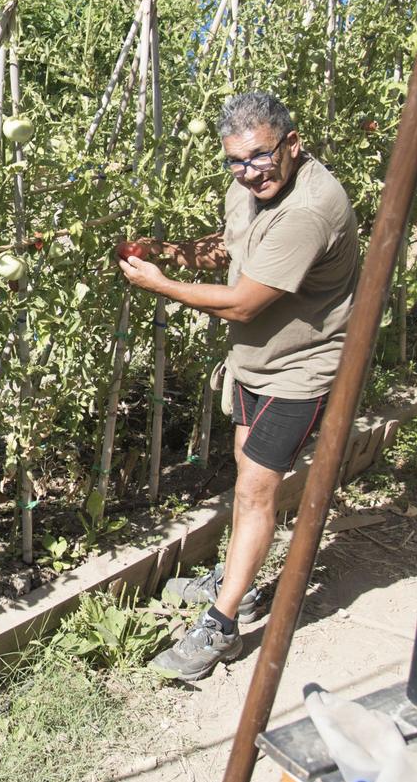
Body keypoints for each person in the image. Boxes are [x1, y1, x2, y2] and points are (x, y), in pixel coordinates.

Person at [114, 90, 359, 681]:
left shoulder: (306, 212)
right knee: (246, 475)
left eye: (259, 157)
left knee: (253, 492)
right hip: (256, 364)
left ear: (292, 145)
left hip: (302, 369)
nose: (249, 173)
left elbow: (246, 304)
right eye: (235, 162)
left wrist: (162, 284)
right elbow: (236, 247)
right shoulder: (250, 188)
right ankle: (240, 584)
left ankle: (221, 627)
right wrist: (173, 252)